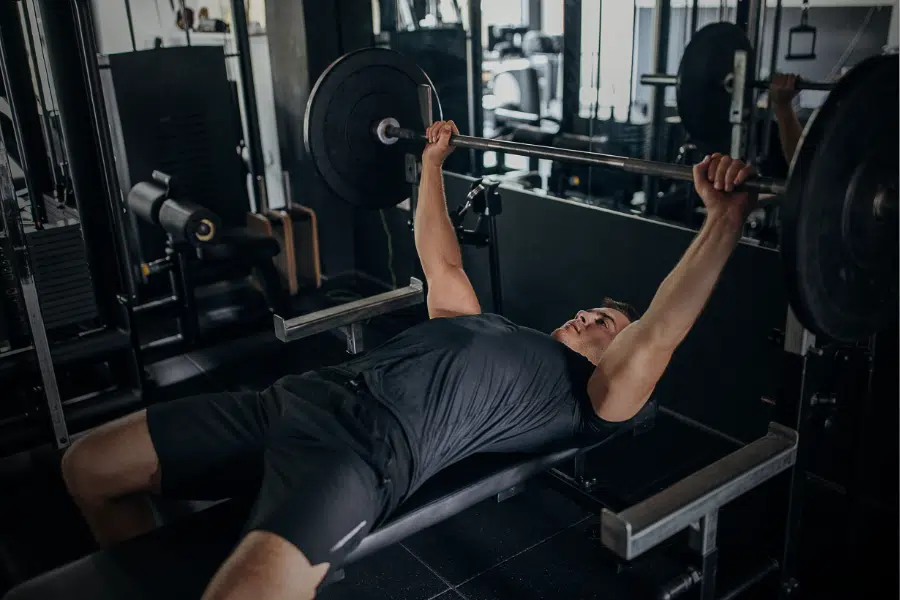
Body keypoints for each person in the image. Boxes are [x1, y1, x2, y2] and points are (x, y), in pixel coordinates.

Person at [60, 121, 758, 600]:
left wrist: (723, 220)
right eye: (594, 308)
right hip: (287, 401)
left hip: (360, 456)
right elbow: (439, 255)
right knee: (87, 466)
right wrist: (429, 165)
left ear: (618, 352)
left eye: (607, 324)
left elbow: (662, 329)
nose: (589, 316)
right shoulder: (485, 324)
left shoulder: (587, 399)